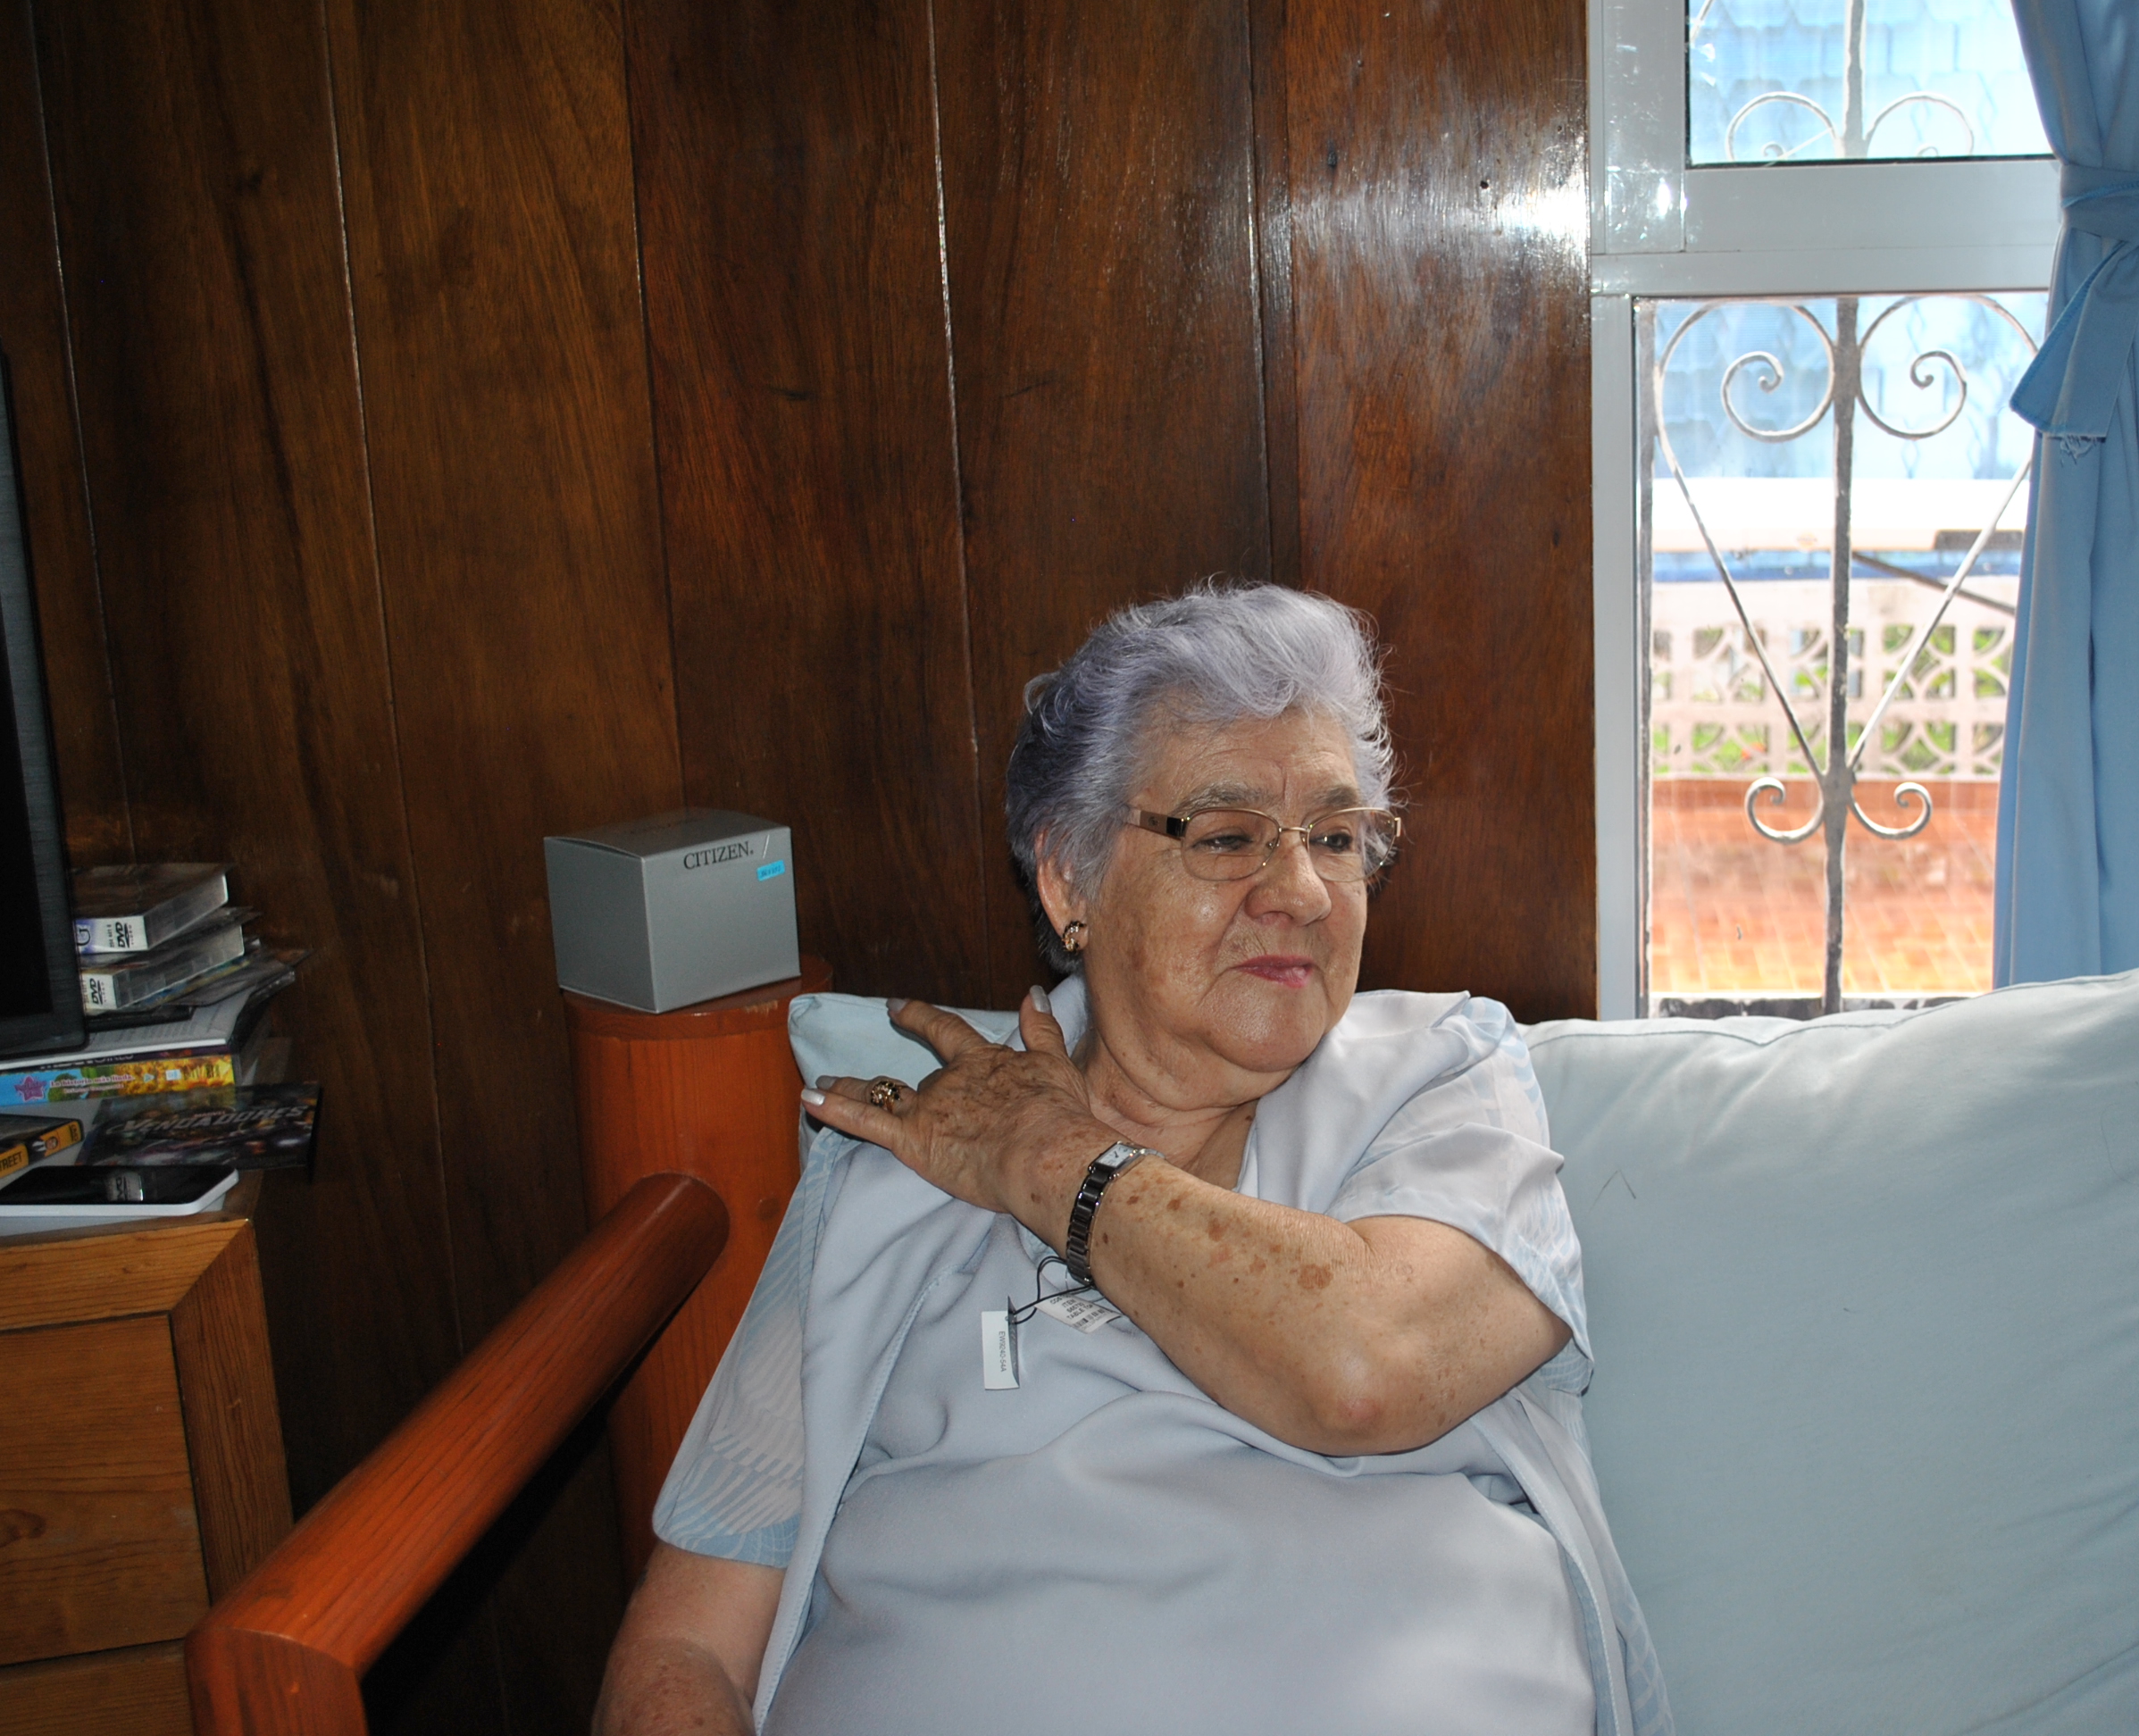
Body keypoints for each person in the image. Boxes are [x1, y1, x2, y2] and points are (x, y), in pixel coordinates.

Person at [595, 584, 1667, 1736]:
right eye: (1226, 837)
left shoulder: (1442, 1085)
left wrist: (1050, 1158)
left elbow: (1366, 1366)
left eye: (1335, 837)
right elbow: (685, 1647)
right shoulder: (888, 1177)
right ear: (1071, 880)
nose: (1302, 892)